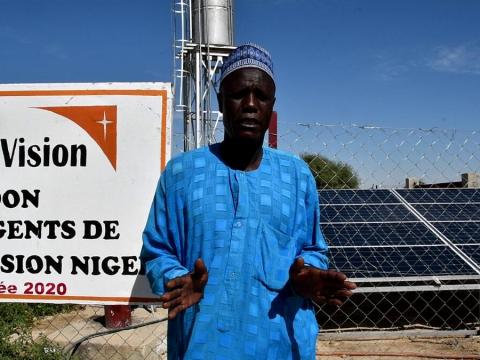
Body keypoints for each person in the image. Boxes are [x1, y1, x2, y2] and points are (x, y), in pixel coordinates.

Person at [141, 43, 356, 360]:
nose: (251, 105)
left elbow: (312, 248)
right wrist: (176, 279)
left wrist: (306, 277)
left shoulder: (297, 176)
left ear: (272, 105)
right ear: (221, 101)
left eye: (262, 96)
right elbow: (157, 248)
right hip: (201, 344)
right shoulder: (181, 174)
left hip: (280, 345)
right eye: (239, 94)